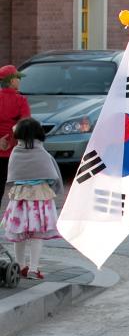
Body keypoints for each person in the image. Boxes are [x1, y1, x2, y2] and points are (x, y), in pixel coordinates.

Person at [1, 118, 61, 280]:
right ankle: (34, 269)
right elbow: (52, 176)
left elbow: (12, 176)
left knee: (18, 233)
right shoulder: (42, 153)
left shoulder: (16, 152)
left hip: (19, 197)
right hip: (40, 197)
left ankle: (20, 266)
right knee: (36, 235)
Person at [0, 65, 30, 187]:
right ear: (12, 81)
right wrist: (11, 142)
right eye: (18, 78)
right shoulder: (20, 100)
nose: (20, 81)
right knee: (20, 187)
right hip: (16, 151)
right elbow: (25, 126)